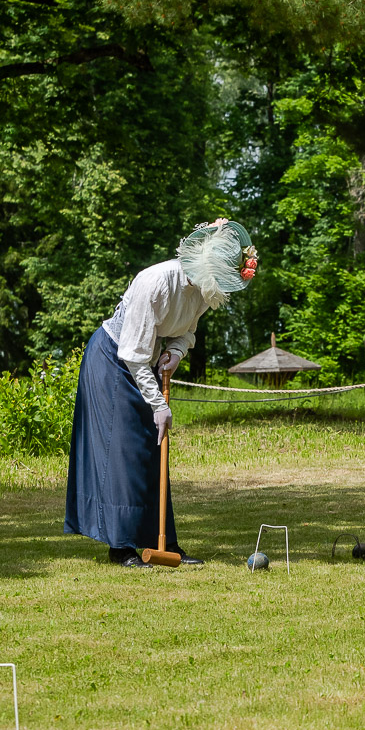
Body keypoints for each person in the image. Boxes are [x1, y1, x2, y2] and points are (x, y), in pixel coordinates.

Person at [65, 219, 257, 568]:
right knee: (124, 452)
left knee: (152, 454)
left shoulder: (203, 291)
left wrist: (177, 352)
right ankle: (121, 546)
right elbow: (133, 353)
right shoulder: (154, 283)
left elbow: (186, 331)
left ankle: (163, 542)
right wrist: (158, 405)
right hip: (111, 360)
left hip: (143, 361)